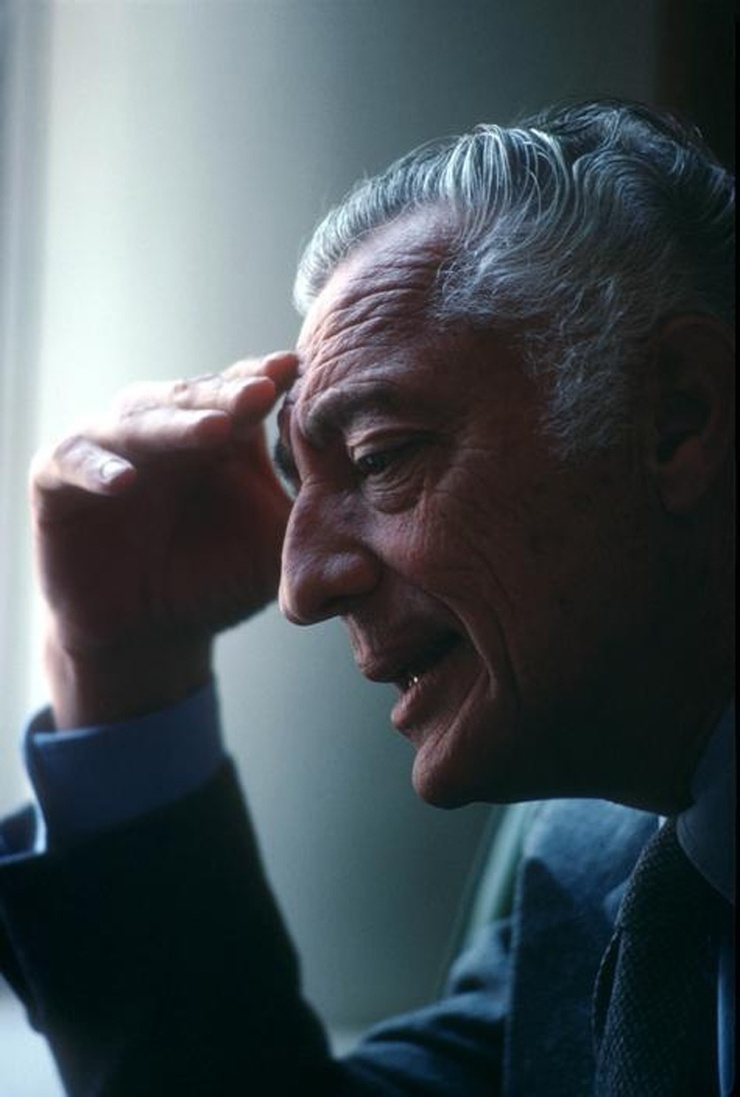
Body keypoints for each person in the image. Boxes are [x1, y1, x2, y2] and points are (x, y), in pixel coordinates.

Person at [0, 99, 734, 1096]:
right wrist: (121, 663)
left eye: (381, 457)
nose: (300, 588)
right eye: (298, 482)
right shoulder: (595, 855)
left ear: (677, 416)